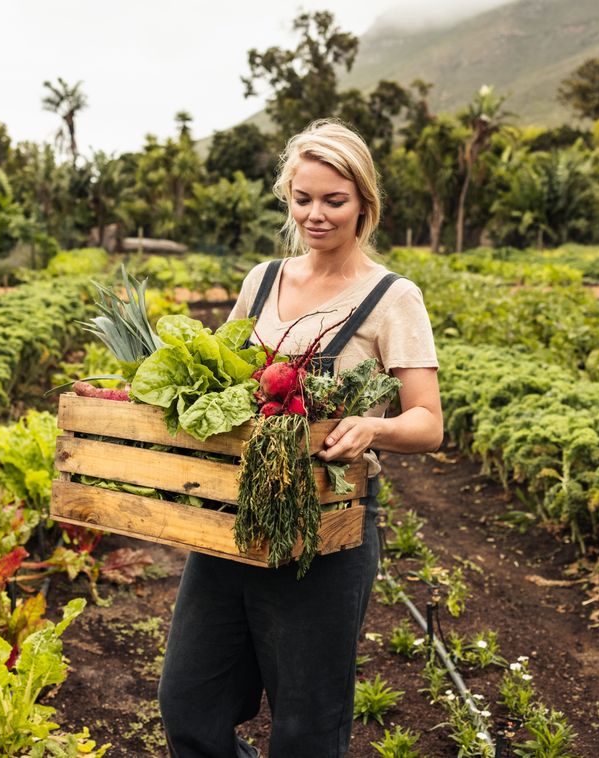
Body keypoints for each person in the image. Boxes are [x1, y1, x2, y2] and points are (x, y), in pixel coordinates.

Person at [157, 119, 443, 758]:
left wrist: (373, 425)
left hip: (326, 526)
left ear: (364, 205)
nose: (316, 215)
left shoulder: (393, 298)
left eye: (334, 201)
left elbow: (428, 421)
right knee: (187, 701)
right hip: (234, 516)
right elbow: (222, 373)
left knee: (305, 727)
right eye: (303, 198)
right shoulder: (262, 280)